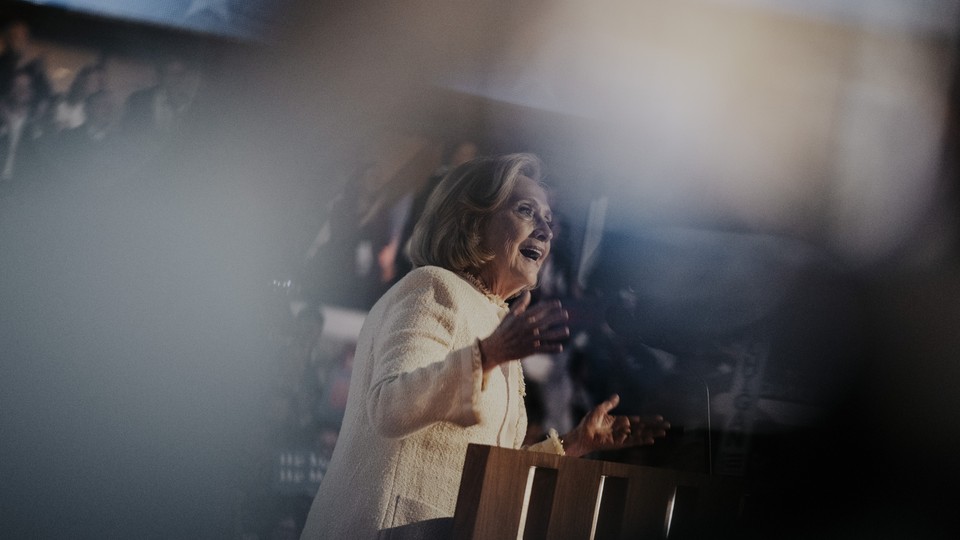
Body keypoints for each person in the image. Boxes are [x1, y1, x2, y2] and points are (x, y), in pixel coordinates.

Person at [299, 153, 670, 539]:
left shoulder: (494, 320)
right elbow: (389, 406)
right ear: (472, 221)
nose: (546, 229)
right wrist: (488, 355)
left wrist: (574, 444)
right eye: (527, 211)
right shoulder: (432, 287)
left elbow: (491, 475)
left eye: (547, 218)